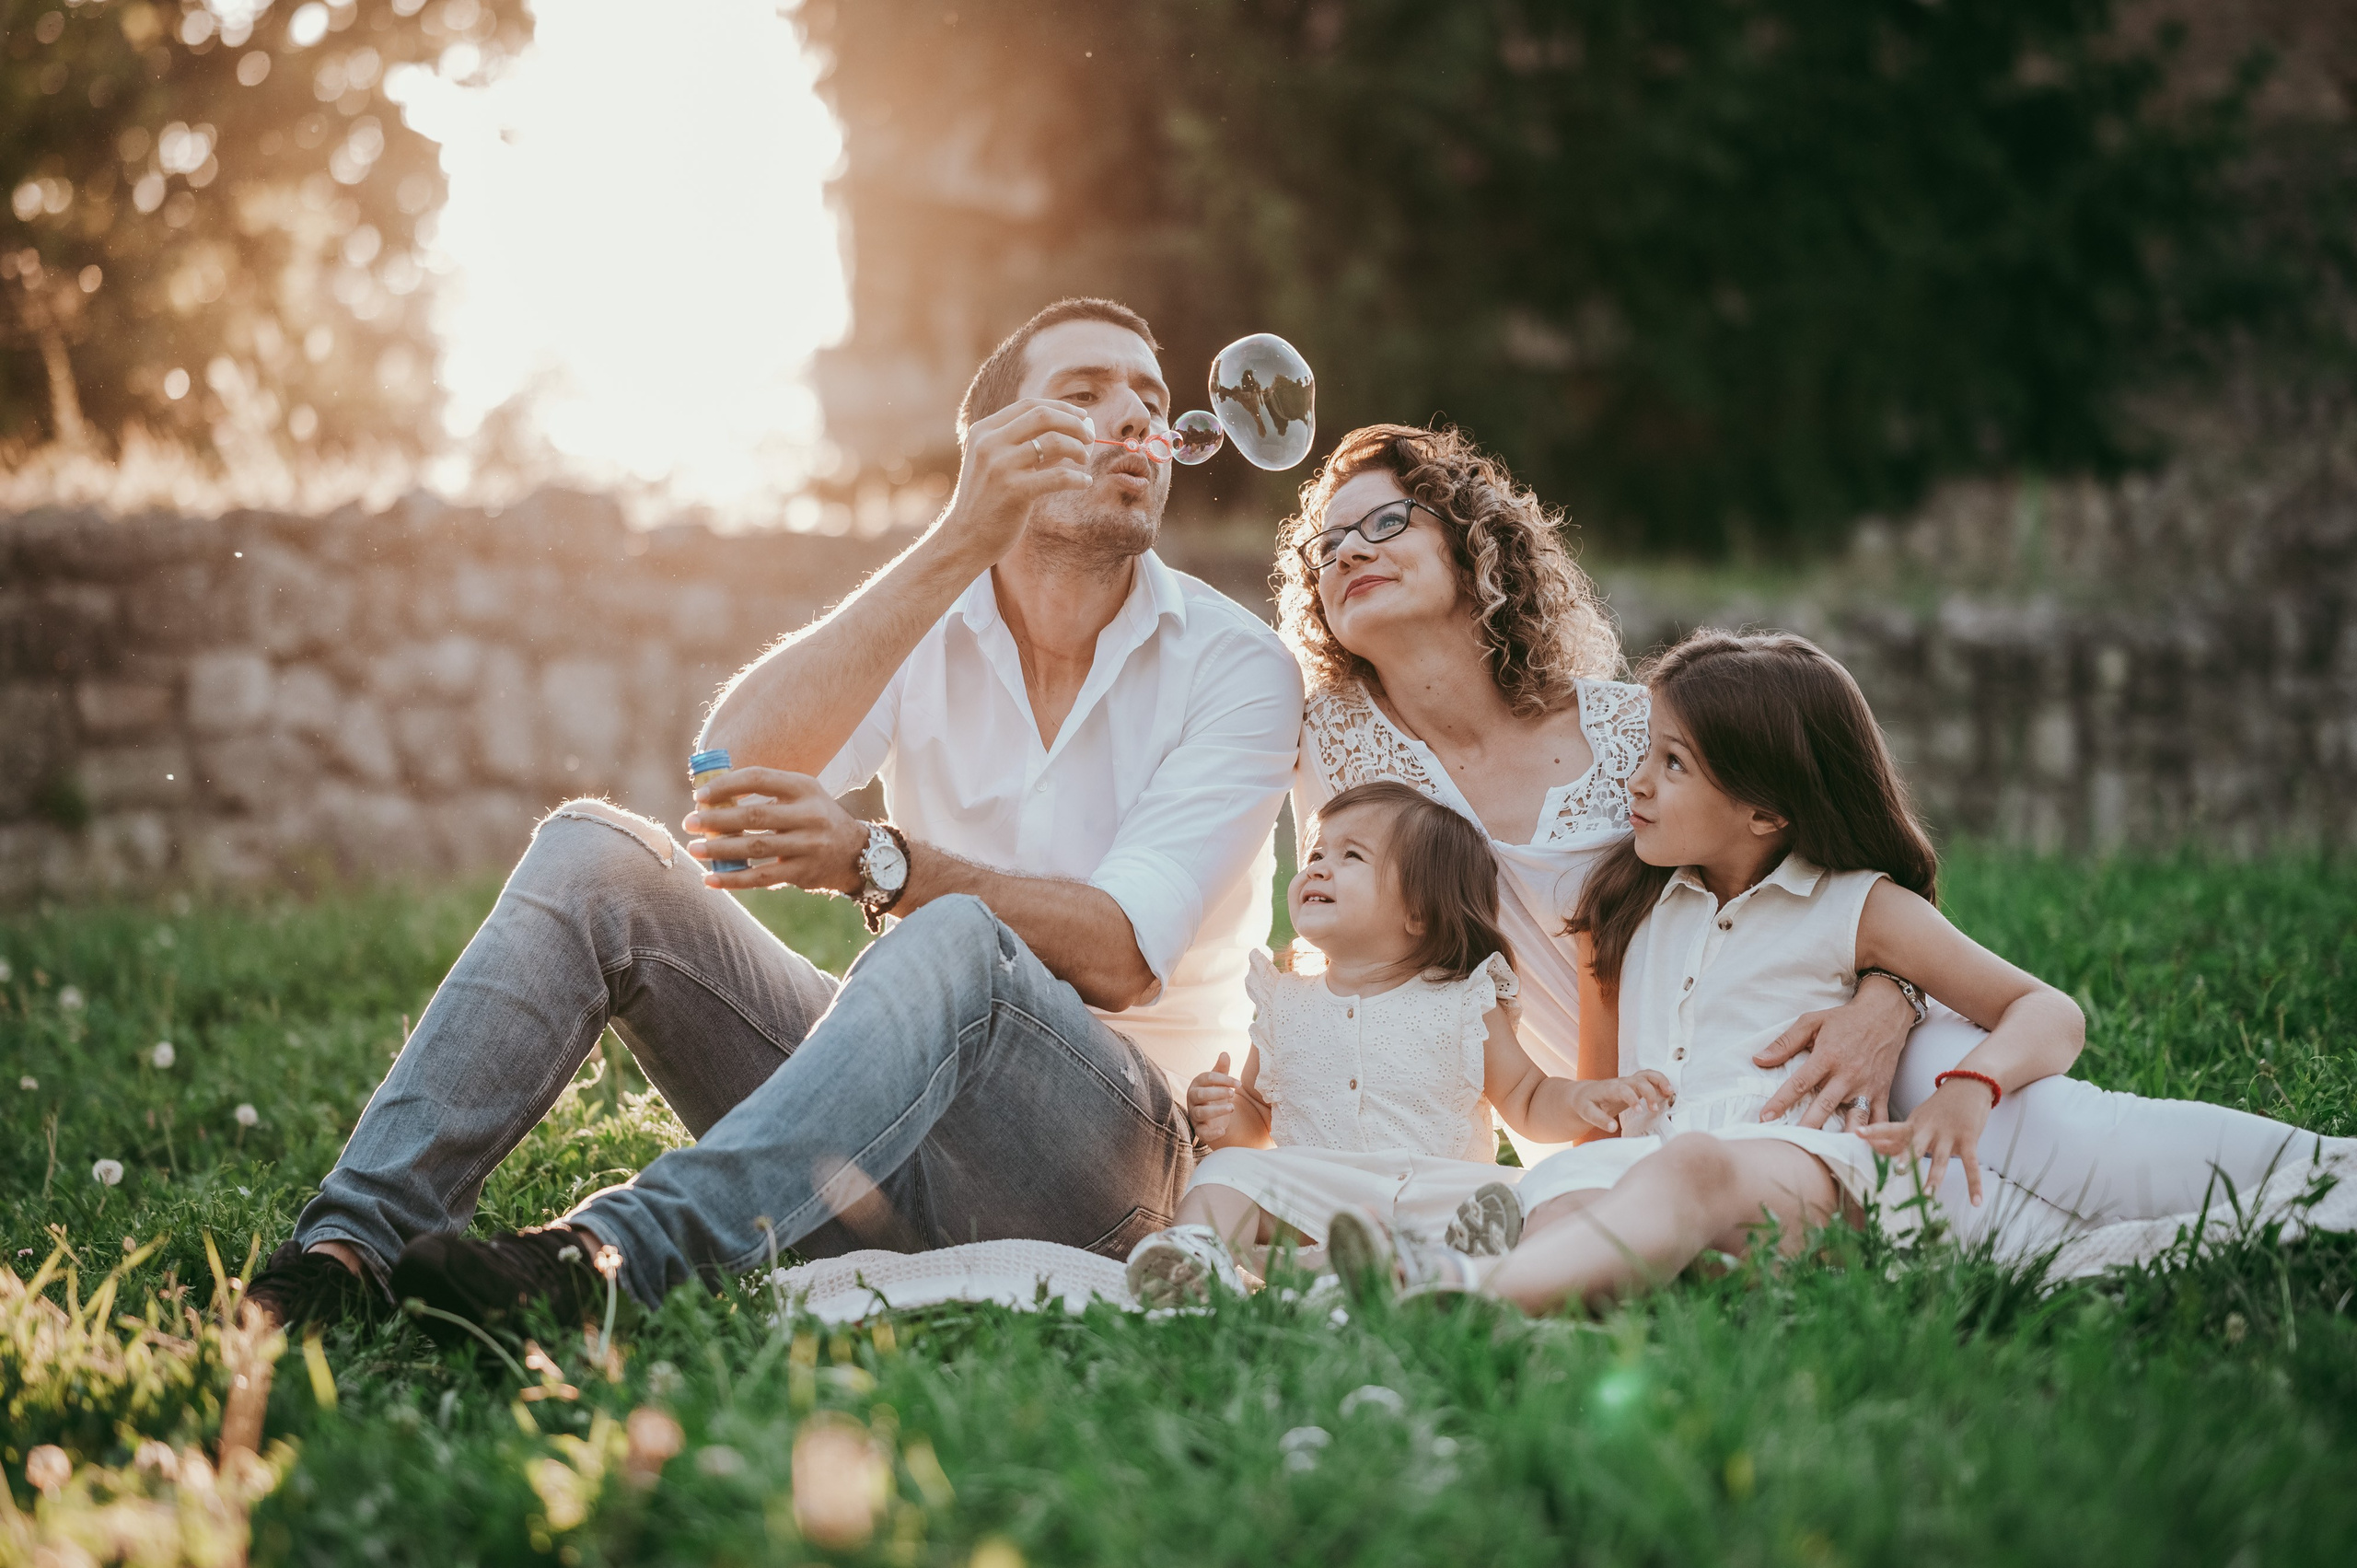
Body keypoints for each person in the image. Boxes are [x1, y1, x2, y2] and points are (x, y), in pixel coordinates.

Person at [242, 297, 1305, 1330]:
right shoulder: (930, 612)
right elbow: (730, 772)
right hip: (877, 1140)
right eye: (1084, 392)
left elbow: (1123, 954)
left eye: (1150, 399)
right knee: (595, 853)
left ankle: (611, 1257)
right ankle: (345, 1251)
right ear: (992, 445)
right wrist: (957, 539)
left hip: (1114, 1171)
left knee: (958, 937)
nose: (1135, 417)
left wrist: (878, 861)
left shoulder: (1237, 665)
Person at [1282, 423, 2347, 1257]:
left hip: (1827, 1039)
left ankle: (2325, 1175)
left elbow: (1834, 872)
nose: (1348, 551)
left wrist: (1888, 1001)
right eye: (1326, 544)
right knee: (2001, 1233)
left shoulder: (1629, 728)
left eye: (1386, 521)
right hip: (1666, 1109)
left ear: (1473, 542)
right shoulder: (1329, 752)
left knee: (2075, 1144)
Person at [1121, 781, 1673, 1307]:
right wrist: (1222, 1116)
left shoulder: (1463, 1002)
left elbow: (1527, 1097)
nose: (1318, 867)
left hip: (1438, 1198)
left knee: (1538, 1192)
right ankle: (1194, 1261)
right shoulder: (1284, 1003)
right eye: (1316, 853)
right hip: (1318, 1210)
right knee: (1223, 1173)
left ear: (1419, 910)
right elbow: (1256, 1124)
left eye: (1351, 856)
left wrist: (1583, 1099)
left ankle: (1442, 1266)